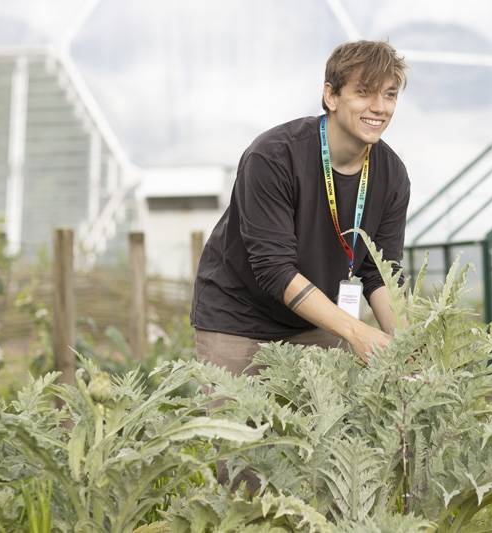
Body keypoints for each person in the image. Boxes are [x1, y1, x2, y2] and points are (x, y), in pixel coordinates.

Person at [190, 40, 410, 491]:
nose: (379, 107)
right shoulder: (273, 156)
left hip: (317, 315)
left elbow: (380, 271)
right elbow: (273, 269)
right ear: (331, 95)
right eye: (365, 92)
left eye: (389, 94)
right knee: (245, 467)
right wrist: (356, 331)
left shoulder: (391, 174)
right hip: (238, 316)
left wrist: (407, 342)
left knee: (327, 458)